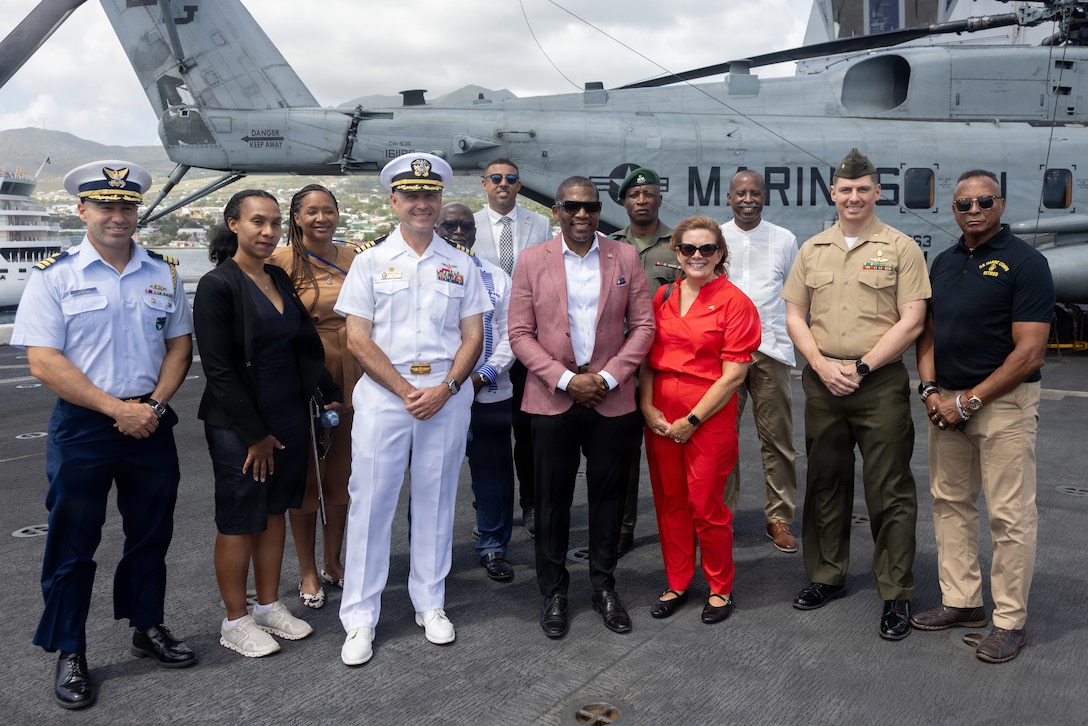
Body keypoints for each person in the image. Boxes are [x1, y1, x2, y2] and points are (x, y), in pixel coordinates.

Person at [12, 160, 196, 709]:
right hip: (84, 425)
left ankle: (147, 626)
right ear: (82, 210)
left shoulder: (163, 272)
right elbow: (43, 361)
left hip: (150, 421)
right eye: (106, 205)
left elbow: (180, 346)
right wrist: (117, 409)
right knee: (72, 542)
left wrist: (153, 406)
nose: (118, 216)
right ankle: (70, 648)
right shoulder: (55, 275)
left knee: (151, 533)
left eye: (127, 206)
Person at [335, 154, 490, 666]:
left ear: (440, 200)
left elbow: (473, 336)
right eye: (412, 196)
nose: (422, 204)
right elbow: (357, 338)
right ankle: (360, 617)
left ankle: (430, 602)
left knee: (437, 498)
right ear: (395, 201)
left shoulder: (461, 263)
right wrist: (405, 389)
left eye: (430, 195)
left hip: (445, 394)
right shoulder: (370, 261)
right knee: (371, 502)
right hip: (386, 396)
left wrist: (446, 387)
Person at [781, 148, 930, 641]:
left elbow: (912, 320)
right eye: (845, 189)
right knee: (826, 481)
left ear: (877, 192)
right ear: (833, 193)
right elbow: (795, 316)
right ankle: (826, 575)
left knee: (890, 488)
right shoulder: (813, 249)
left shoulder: (901, 248)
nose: (853, 197)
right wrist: (821, 365)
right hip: (823, 382)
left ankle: (896, 592)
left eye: (863, 189)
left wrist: (862, 366)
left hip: (878, 384)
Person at [911, 170, 1055, 663]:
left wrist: (968, 401)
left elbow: (1030, 352)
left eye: (983, 202)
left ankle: (1009, 621)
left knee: (1010, 516)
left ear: (1001, 204)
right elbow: (928, 333)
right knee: (950, 503)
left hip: (1003, 405)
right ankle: (962, 601)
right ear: (953, 209)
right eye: (963, 204)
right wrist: (931, 391)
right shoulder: (944, 262)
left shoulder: (1027, 263)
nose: (973, 210)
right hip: (946, 403)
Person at [195, 189, 342, 658]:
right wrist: (255, 436)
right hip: (240, 425)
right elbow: (218, 369)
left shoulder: (276, 276)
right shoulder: (218, 285)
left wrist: (328, 390)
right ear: (233, 224)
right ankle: (235, 619)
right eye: (258, 221)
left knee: (276, 510)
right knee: (241, 518)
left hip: (289, 413)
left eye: (276, 223)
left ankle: (267, 605)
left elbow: (301, 343)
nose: (268, 231)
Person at [508, 176, 654, 640]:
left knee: (609, 499)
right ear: (557, 211)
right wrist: (567, 380)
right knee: (552, 502)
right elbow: (519, 333)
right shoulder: (532, 260)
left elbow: (644, 326)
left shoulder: (624, 256)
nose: (582, 214)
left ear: (599, 211)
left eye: (590, 207)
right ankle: (554, 592)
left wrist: (607, 378)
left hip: (612, 397)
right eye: (572, 206)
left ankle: (604, 586)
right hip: (553, 397)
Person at [640, 216, 761, 624]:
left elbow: (734, 376)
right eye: (688, 248)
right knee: (670, 502)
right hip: (661, 414)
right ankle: (677, 581)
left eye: (706, 248)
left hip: (707, 417)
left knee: (706, 505)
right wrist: (647, 406)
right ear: (676, 252)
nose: (697, 255)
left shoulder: (735, 302)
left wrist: (691, 420)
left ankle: (719, 587)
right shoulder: (664, 297)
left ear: (719, 253)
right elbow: (648, 360)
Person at [270, 184, 361, 609]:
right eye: (311, 211)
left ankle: (333, 562)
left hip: (354, 371)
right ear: (296, 217)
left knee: (342, 474)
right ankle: (307, 570)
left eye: (328, 210)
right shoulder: (279, 262)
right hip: (306, 372)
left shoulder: (355, 257)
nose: (321, 218)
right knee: (307, 476)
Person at [721, 170, 800, 553]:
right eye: (741, 193)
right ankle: (720, 516)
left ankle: (779, 517)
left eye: (754, 193)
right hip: (725, 355)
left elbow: (796, 295)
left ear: (764, 196)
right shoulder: (717, 238)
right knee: (722, 439)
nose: (748, 199)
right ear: (729, 197)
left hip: (772, 351)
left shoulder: (784, 239)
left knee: (778, 439)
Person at [437, 202, 516, 582]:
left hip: (487, 394)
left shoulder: (495, 276)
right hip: (435, 399)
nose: (458, 231)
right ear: (436, 229)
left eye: (465, 226)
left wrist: (480, 377)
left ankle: (494, 545)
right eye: (449, 225)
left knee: (493, 476)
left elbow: (511, 334)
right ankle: (431, 553)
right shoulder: (423, 275)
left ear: (474, 232)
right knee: (433, 478)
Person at [473, 157, 552, 538]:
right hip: (485, 343)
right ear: (484, 184)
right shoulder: (466, 223)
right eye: (496, 178)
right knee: (486, 432)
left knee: (527, 429)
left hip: (529, 338)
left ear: (519, 185)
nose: (503, 184)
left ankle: (530, 502)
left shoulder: (540, 224)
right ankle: (488, 503)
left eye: (511, 178)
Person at [608, 167, 679, 557]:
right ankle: (623, 525)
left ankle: (681, 525)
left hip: (666, 361)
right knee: (623, 450)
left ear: (659, 199)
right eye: (634, 195)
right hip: (621, 363)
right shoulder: (610, 246)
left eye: (648, 194)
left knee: (672, 447)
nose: (641, 200)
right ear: (624, 202)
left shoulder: (678, 245)